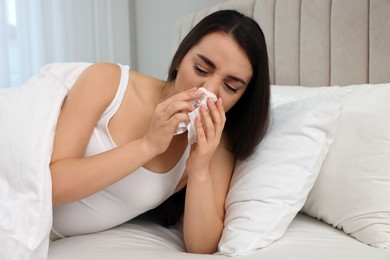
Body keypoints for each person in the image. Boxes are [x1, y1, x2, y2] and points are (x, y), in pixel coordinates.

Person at [50, 9, 270, 254]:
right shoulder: (109, 82)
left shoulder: (215, 144)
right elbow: (50, 187)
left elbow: (202, 246)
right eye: (200, 69)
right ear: (179, 59)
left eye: (230, 87)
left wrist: (198, 170)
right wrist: (147, 146)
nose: (208, 90)